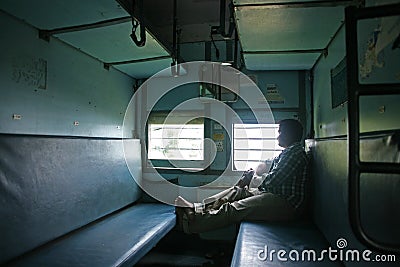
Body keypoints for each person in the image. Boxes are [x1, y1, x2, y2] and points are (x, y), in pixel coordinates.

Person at [175, 119, 309, 234]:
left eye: (280, 132)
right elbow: (266, 166)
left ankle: (190, 224)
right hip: (273, 194)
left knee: (234, 209)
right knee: (237, 191)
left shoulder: (295, 153)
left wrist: (252, 180)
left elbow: (272, 182)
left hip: (286, 204)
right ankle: (196, 209)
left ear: (289, 133)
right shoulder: (287, 153)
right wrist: (251, 175)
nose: (277, 137)